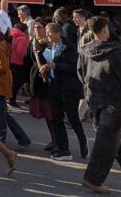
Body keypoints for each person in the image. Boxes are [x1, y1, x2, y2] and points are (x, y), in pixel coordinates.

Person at [78, 16, 121, 193]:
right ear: (105, 29)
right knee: (106, 141)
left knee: (111, 140)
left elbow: (80, 74)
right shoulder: (115, 51)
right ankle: (92, 178)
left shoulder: (84, 50)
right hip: (112, 101)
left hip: (95, 100)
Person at [41, 20, 87, 161]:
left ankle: (83, 143)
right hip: (54, 86)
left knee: (73, 118)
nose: (48, 35)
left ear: (58, 33)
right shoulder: (50, 46)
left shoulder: (68, 47)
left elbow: (74, 67)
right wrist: (46, 69)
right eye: (47, 33)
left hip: (68, 87)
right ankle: (63, 149)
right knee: (56, 118)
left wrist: (56, 66)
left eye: (50, 33)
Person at [0, 21, 31, 153]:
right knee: (3, 114)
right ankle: (23, 139)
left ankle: (0, 140)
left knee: (0, 115)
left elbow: (3, 67)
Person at [27, 18, 55, 149]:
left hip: (51, 82)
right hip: (37, 80)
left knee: (52, 115)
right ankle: (54, 139)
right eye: (35, 27)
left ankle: (57, 140)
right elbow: (27, 62)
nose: (37, 30)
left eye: (39, 27)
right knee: (47, 115)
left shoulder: (52, 44)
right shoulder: (32, 43)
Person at [8, 22, 29, 106]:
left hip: (11, 61)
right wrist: (26, 55)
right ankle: (12, 100)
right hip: (18, 62)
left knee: (13, 81)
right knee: (18, 82)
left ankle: (10, 98)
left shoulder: (13, 36)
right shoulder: (23, 38)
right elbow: (21, 52)